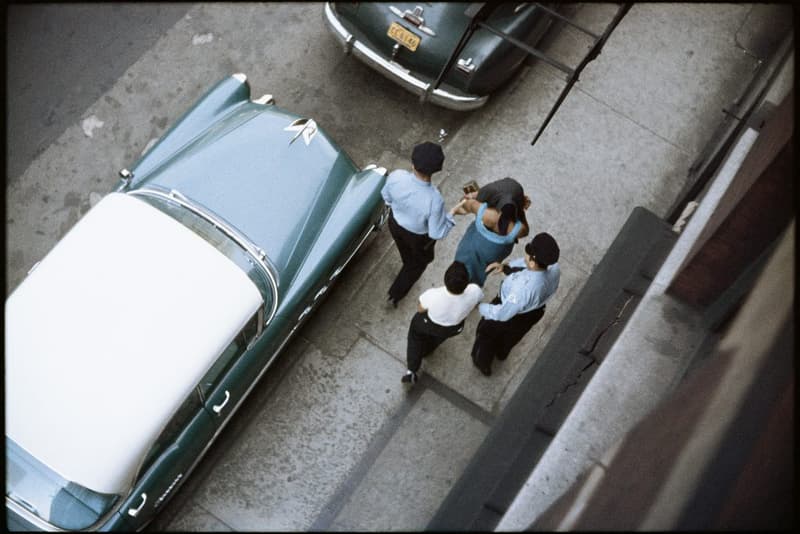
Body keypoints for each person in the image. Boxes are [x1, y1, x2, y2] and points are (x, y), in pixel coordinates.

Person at [381, 142, 462, 307]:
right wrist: (452, 214)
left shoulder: (396, 176)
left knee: (405, 252)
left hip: (395, 223)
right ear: (436, 170)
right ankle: (395, 294)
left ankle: (406, 262)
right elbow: (436, 233)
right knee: (416, 265)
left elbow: (386, 197)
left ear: (413, 163)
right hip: (417, 238)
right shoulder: (435, 200)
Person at [471, 232, 561, 376]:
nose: (525, 256)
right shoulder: (554, 267)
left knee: (486, 334)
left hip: (511, 311)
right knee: (512, 337)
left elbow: (501, 314)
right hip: (533, 312)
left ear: (532, 261)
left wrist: (479, 307)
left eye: (528, 254)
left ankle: (482, 362)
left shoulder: (522, 290)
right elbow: (524, 265)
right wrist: (506, 267)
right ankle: (501, 353)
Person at [402, 261, 483, 384]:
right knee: (437, 339)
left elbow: (420, 309)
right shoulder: (475, 291)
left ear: (445, 279)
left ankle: (411, 371)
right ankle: (426, 351)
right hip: (452, 328)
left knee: (415, 338)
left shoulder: (433, 294)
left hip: (427, 323)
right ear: (467, 282)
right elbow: (477, 301)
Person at [453, 197, 530, 287]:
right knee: (478, 275)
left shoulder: (483, 210)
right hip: (491, 255)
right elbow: (525, 229)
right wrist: (521, 208)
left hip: (467, 250)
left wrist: (476, 195)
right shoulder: (518, 230)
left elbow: (464, 202)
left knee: (458, 273)